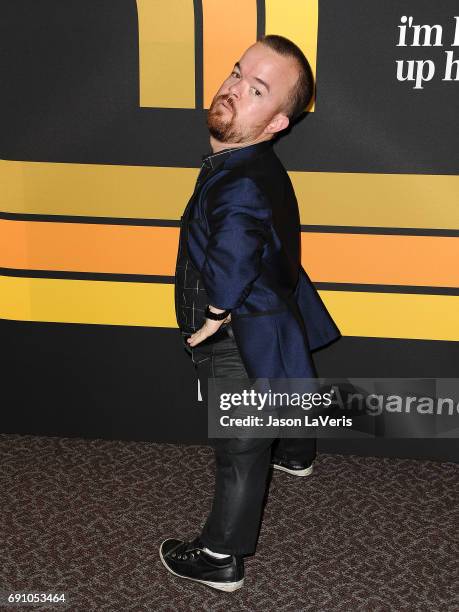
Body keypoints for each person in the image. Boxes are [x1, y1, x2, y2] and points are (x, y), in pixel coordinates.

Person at [160, 34, 341, 592]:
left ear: (276, 123)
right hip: (274, 313)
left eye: (257, 89)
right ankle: (296, 452)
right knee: (285, 382)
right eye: (238, 72)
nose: (234, 88)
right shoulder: (253, 162)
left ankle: (219, 558)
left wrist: (214, 314)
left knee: (239, 447)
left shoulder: (238, 180)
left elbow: (235, 251)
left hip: (242, 331)